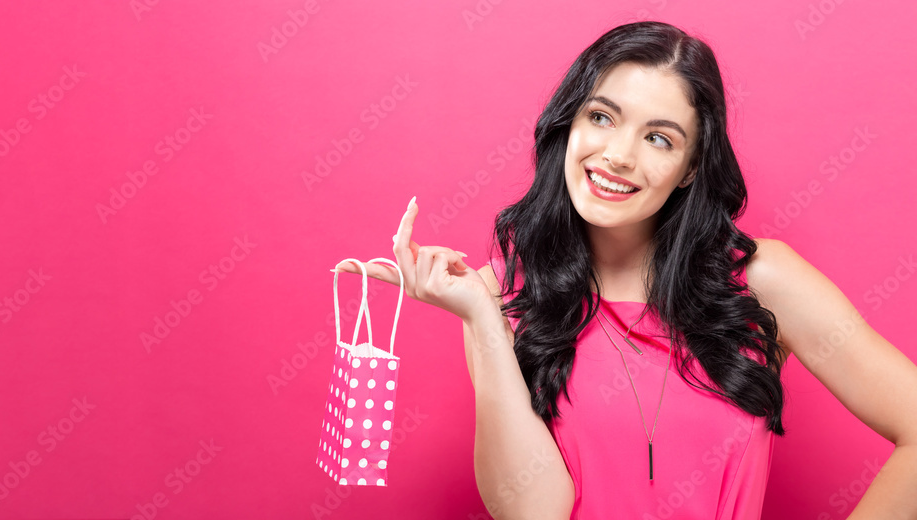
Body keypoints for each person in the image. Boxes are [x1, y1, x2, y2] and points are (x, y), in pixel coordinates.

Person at [331, 21, 917, 519]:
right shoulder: (500, 294)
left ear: (690, 168)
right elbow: (533, 510)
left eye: (659, 138)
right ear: (569, 125)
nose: (618, 155)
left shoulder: (761, 281)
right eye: (603, 117)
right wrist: (483, 320)